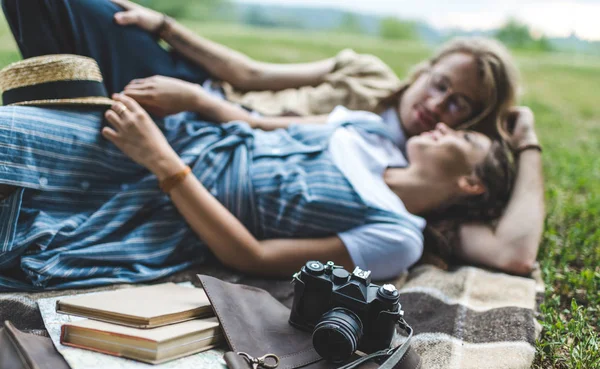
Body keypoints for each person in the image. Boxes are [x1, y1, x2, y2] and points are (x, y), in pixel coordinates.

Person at [1, 0, 544, 276]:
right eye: (439, 85)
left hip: (178, 160)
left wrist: (527, 144)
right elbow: (250, 79)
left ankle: (66, 105)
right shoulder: (365, 102)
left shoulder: (402, 226)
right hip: (197, 110)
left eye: (460, 110)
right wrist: (165, 28)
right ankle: (62, 92)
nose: (439, 110)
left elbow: (513, 252)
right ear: (424, 69)